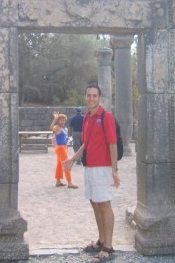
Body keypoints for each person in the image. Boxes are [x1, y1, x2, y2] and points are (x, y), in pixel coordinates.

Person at [64, 84, 120, 262]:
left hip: (103, 168)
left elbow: (112, 144)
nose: (91, 98)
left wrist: (115, 171)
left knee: (104, 205)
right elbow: (85, 145)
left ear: (100, 97)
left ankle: (108, 246)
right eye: (89, 95)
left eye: (95, 95)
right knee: (95, 204)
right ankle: (101, 240)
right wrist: (73, 159)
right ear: (85, 96)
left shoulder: (107, 116)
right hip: (89, 167)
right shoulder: (87, 116)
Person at [50, 111, 78, 189]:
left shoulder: (62, 128)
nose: (63, 122)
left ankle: (58, 181)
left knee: (59, 165)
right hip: (61, 148)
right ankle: (70, 183)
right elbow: (51, 128)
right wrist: (55, 119)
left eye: (64, 120)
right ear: (58, 121)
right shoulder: (57, 127)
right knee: (67, 164)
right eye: (61, 120)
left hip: (63, 147)